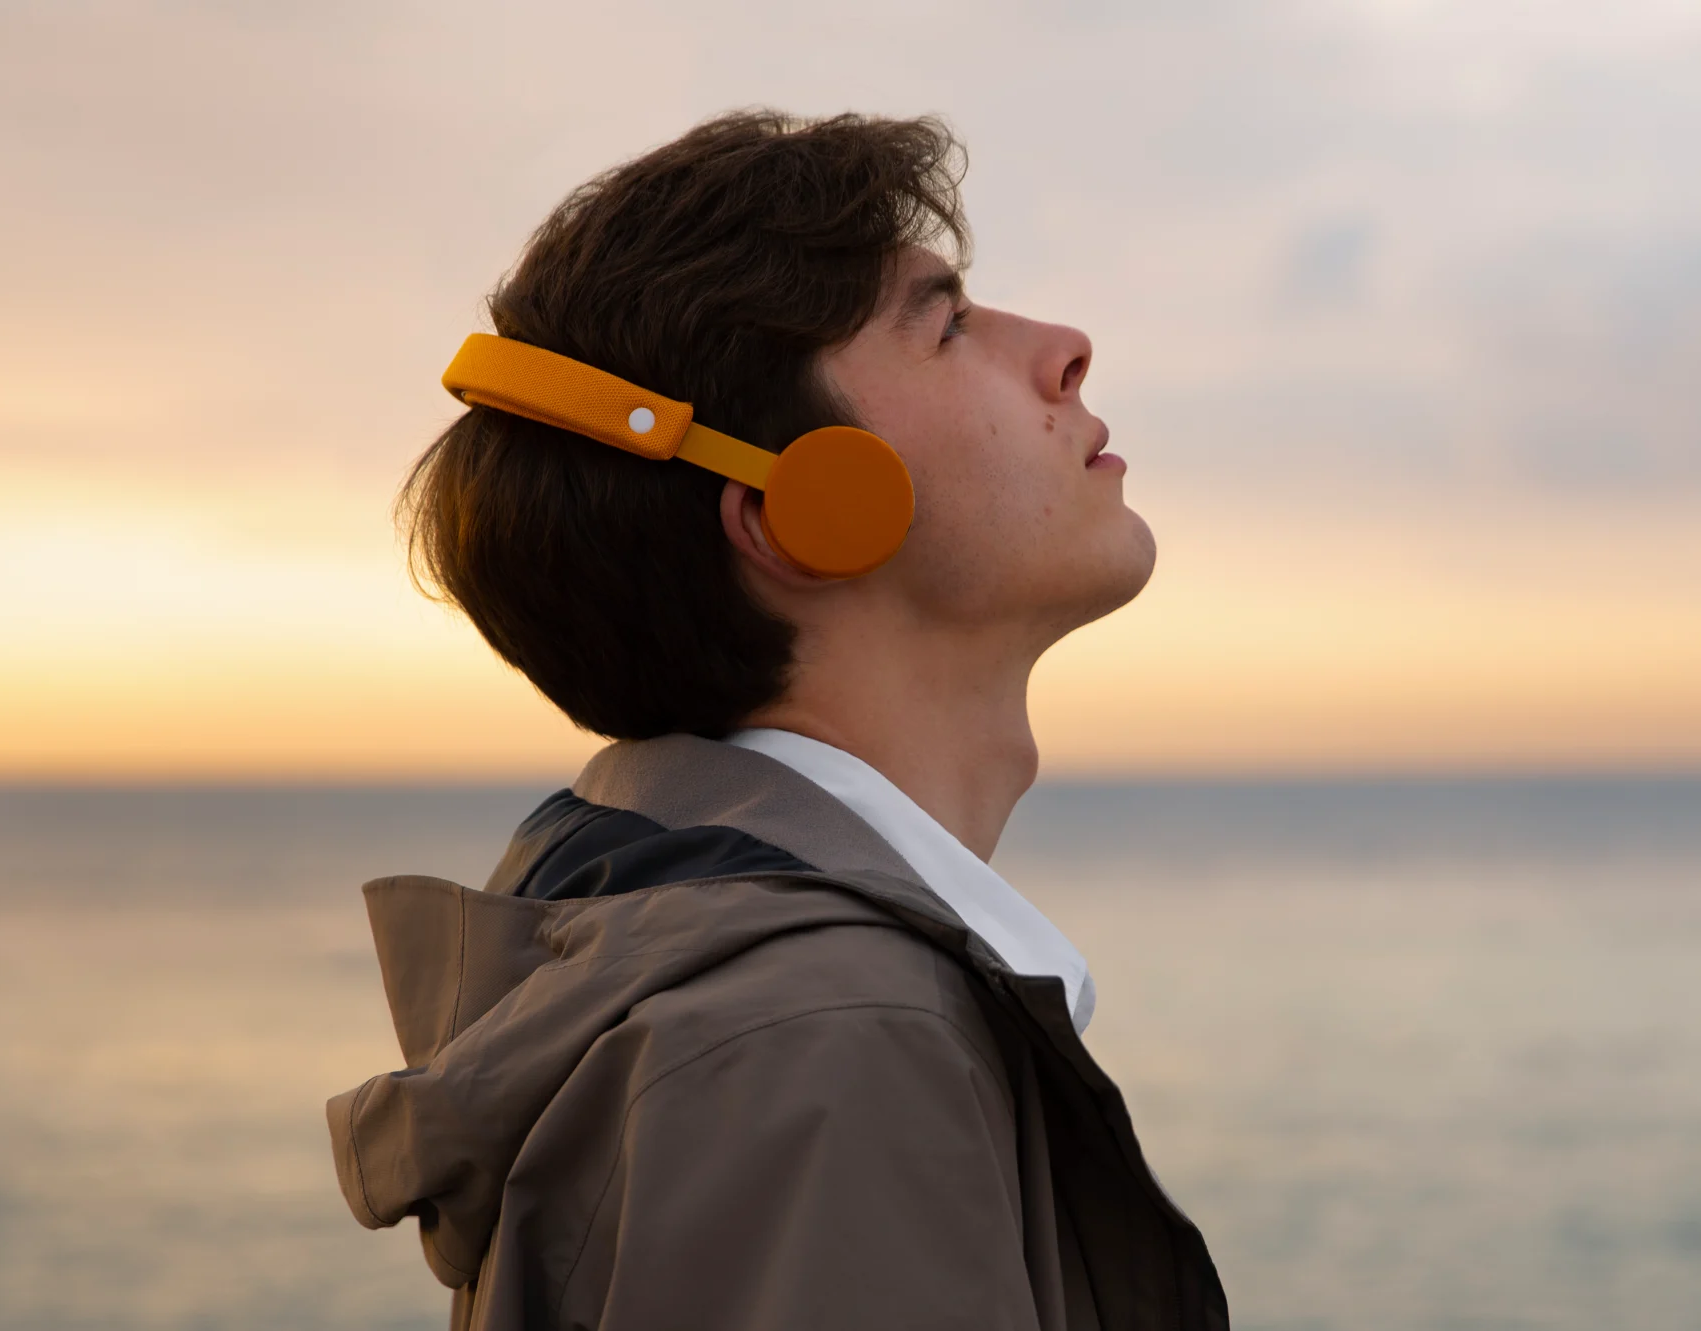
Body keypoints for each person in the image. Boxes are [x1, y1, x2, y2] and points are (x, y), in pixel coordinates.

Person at [326, 109, 1227, 1331]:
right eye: (946, 324)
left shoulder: (694, 951)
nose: (1065, 348)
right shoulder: (824, 1041)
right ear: (798, 505)